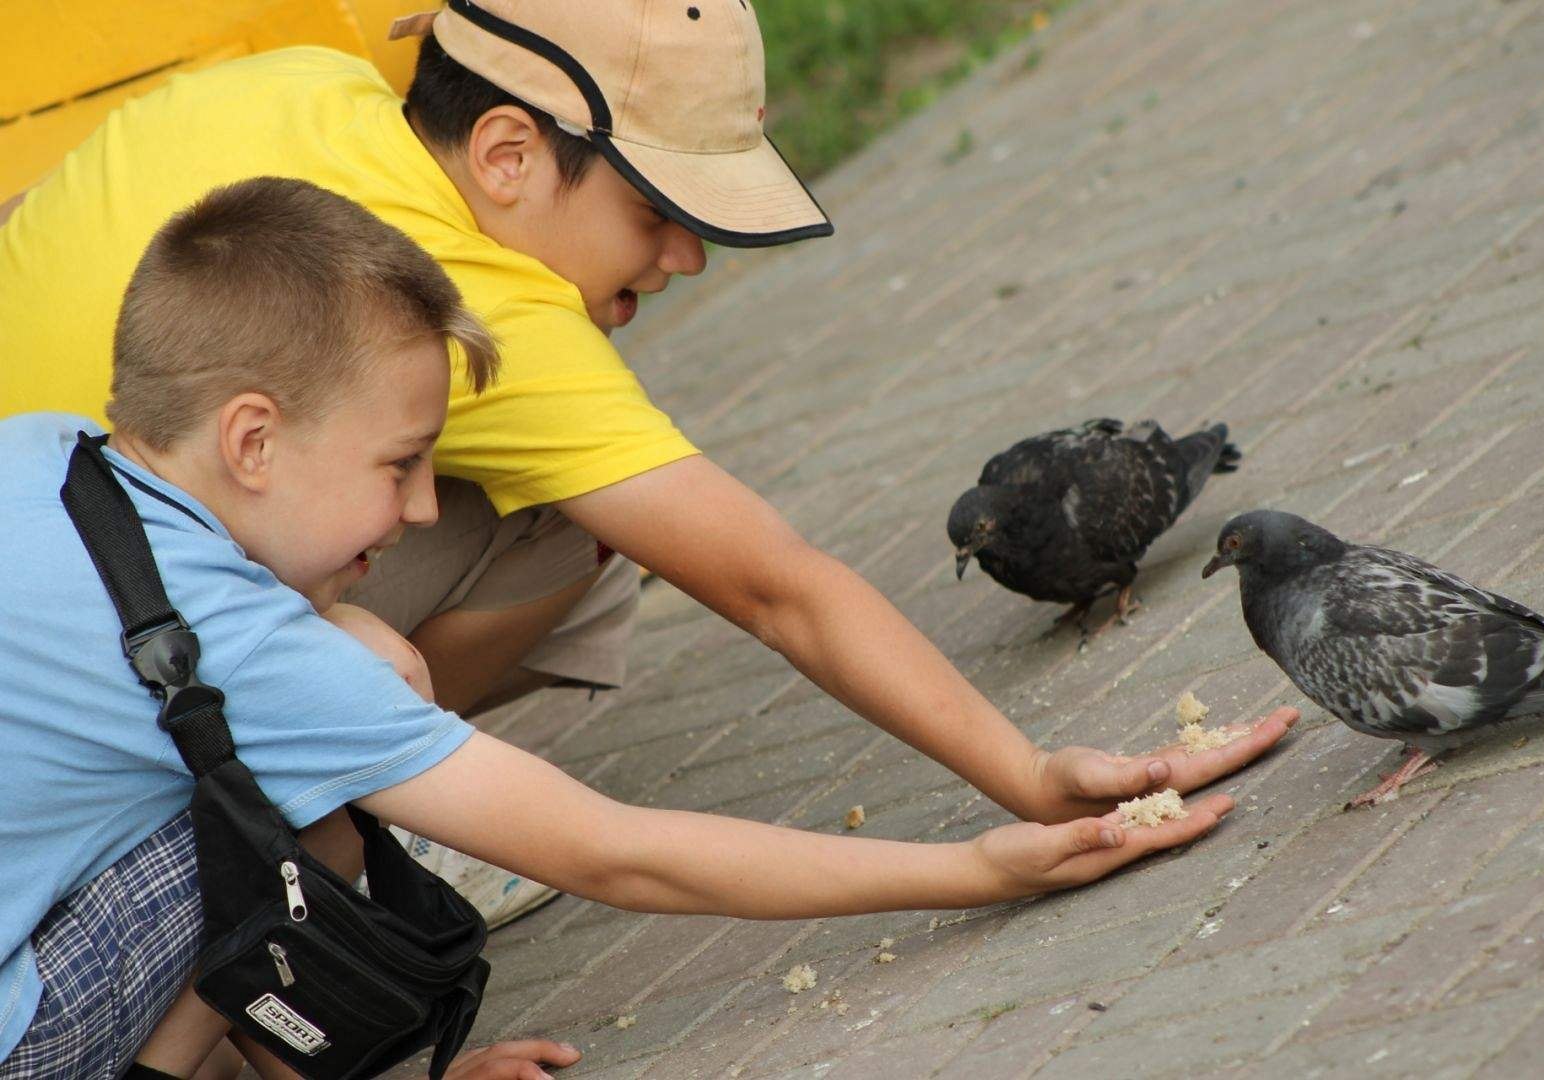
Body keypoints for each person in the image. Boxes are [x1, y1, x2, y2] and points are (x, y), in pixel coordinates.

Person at [0, 0, 1294, 924]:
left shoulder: (302, 83)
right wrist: (1027, 788)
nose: (686, 262)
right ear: (508, 155)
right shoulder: (480, 301)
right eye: (660, 212)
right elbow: (772, 587)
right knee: (566, 548)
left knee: (551, 512)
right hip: (68, 825)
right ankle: (373, 790)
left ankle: (340, 804)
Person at [0, 176, 1290, 1079]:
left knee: (288, 726)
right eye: (400, 464)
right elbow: (617, 855)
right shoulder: (233, 642)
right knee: (319, 734)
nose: (421, 505)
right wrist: (981, 869)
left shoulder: (45, 449)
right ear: (254, 440)